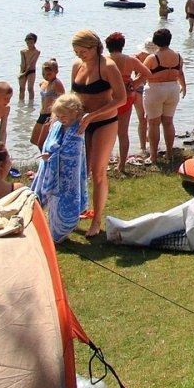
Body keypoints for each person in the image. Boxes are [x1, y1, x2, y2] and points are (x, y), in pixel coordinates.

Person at [70, 29, 127, 238]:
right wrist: (61, 115)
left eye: (82, 51)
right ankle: (75, 212)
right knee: (79, 170)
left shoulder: (108, 67)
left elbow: (120, 99)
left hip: (104, 121)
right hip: (82, 122)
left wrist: (93, 115)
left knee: (98, 171)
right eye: (76, 52)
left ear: (94, 47)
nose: (79, 56)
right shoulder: (77, 66)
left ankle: (97, 220)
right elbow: (73, 95)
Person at [32, 93, 88, 241]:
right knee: (50, 199)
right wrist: (49, 155)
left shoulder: (77, 131)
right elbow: (49, 144)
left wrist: (51, 156)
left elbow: (72, 155)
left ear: (75, 112)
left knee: (63, 200)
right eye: (58, 115)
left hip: (68, 177)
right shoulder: (57, 126)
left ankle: (60, 232)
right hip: (51, 169)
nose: (60, 119)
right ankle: (49, 228)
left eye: (64, 116)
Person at [139, 27, 187, 163]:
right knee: (168, 122)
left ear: (155, 41)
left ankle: (153, 156)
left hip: (155, 89)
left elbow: (142, 76)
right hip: (172, 88)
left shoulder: (152, 58)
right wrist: (184, 87)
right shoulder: (178, 56)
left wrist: (130, 87)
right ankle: (169, 152)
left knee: (153, 123)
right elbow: (180, 73)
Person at [105, 32, 148, 175]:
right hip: (126, 97)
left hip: (109, 98)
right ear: (122, 45)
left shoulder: (104, 60)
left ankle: (104, 161)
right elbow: (147, 73)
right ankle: (121, 165)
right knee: (123, 133)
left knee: (106, 132)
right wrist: (134, 84)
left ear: (107, 46)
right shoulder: (130, 60)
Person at [31, 58, 65, 148]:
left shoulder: (57, 84)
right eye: (43, 74)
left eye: (49, 74)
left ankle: (47, 159)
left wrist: (57, 117)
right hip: (42, 114)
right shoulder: (43, 83)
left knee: (41, 142)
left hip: (51, 115)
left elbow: (63, 100)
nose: (46, 76)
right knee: (34, 140)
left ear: (56, 72)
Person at [17, 33, 40, 104]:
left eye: (31, 43)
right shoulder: (23, 51)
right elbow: (23, 63)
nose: (29, 44)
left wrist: (25, 73)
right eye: (27, 43)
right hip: (23, 70)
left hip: (31, 71)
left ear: (34, 42)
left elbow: (31, 63)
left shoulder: (37, 52)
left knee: (30, 88)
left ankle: (30, 105)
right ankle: (21, 105)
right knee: (21, 89)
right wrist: (21, 73)